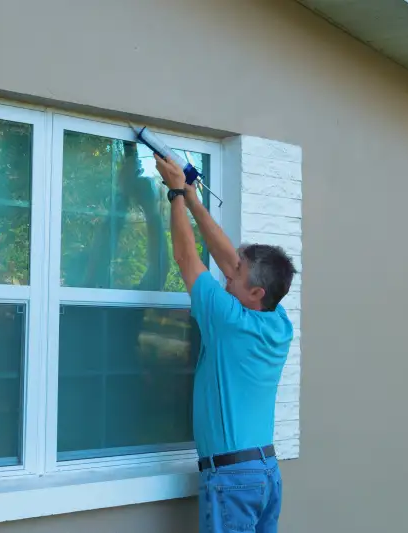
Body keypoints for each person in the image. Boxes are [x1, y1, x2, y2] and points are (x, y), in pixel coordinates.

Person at [154, 154, 296, 533]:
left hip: (233, 477)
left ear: (256, 291)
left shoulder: (227, 320)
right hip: (264, 472)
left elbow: (186, 258)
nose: (228, 275)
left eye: (236, 274)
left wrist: (174, 195)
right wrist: (194, 199)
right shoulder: (279, 322)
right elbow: (229, 258)